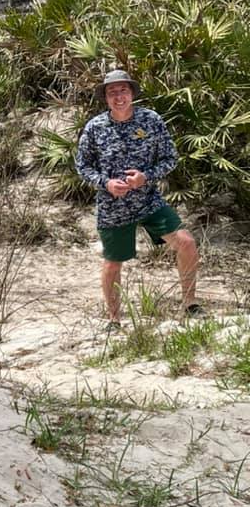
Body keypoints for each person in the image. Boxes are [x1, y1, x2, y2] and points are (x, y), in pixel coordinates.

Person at [75, 69, 201, 327]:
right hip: (113, 207)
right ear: (106, 97)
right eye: (112, 92)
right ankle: (114, 319)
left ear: (131, 93)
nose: (118, 96)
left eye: (123, 90)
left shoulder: (151, 120)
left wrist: (146, 177)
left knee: (186, 242)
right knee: (113, 263)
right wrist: (106, 183)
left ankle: (190, 304)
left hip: (148, 200)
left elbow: (170, 159)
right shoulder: (94, 127)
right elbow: (83, 167)